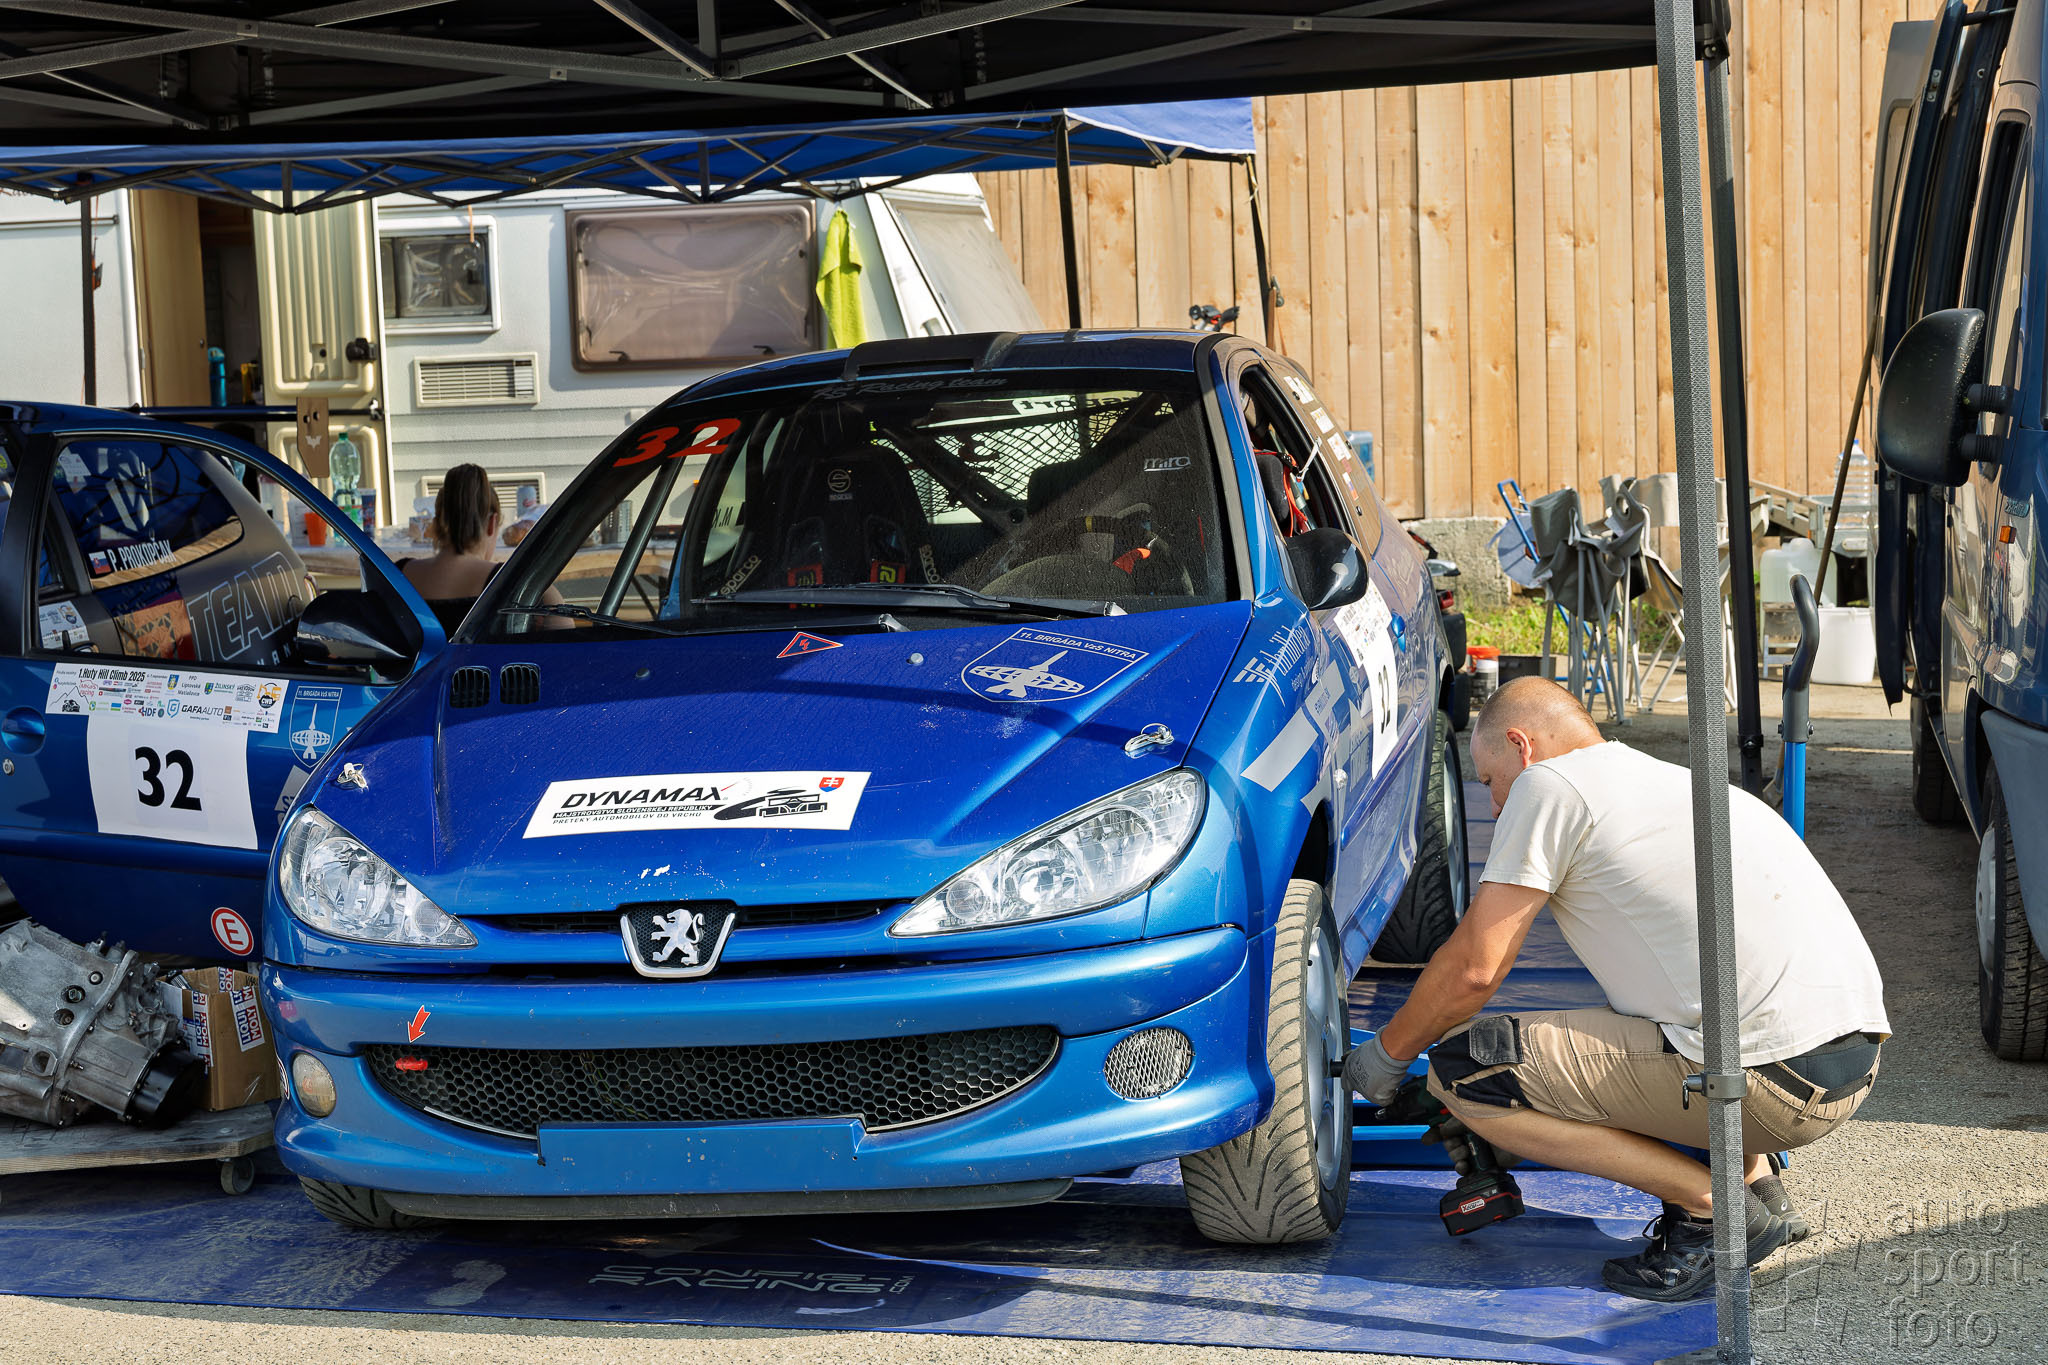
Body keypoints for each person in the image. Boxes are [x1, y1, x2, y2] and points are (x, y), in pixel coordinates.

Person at [1345, 677, 1890, 1302]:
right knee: (1650, 1018)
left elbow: (1474, 969)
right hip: (1848, 1070)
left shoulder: (1549, 785)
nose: (1493, 805)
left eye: (1489, 781)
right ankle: (1759, 1186)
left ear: (1522, 746)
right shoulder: (1679, 784)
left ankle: (1714, 1212)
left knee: (1465, 1066)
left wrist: (1386, 1055)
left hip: (1764, 1087)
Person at [399, 465, 565, 633]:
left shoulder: (397, 575)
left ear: (436, 524)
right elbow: (562, 631)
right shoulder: (517, 583)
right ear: (492, 524)